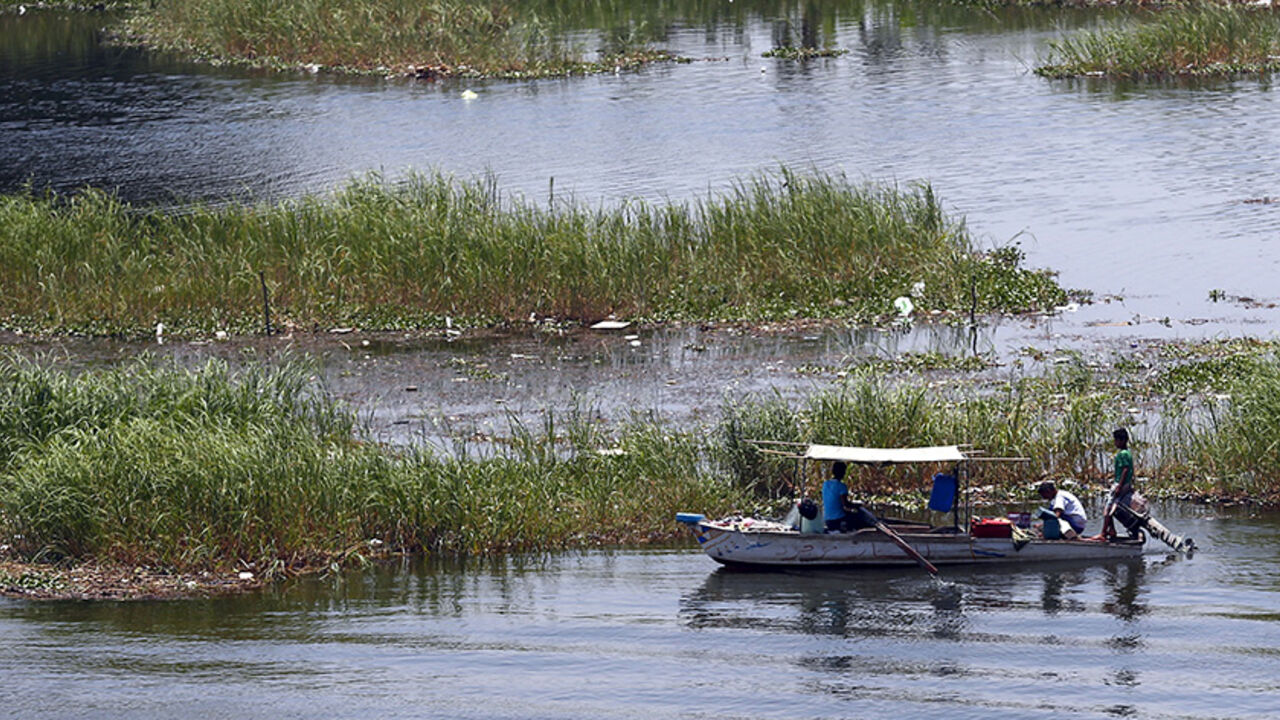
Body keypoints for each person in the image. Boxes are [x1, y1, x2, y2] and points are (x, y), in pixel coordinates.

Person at [1103, 428, 1140, 540]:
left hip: (1120, 484)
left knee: (1107, 508)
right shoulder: (1127, 453)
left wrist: (1119, 485)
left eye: (1116, 440)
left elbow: (1125, 470)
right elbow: (1130, 470)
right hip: (1124, 484)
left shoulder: (1123, 454)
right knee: (1111, 508)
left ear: (1122, 440)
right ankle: (1111, 530)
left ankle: (1104, 533)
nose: (1115, 443)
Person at [822, 461, 877, 532]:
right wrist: (858, 506)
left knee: (850, 515)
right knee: (859, 518)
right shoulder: (841, 486)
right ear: (842, 472)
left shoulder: (825, 484)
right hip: (837, 520)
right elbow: (846, 505)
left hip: (827, 519)